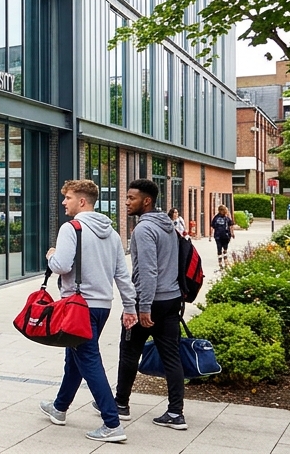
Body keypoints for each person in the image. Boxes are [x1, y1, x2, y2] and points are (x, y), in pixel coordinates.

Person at [39, 179, 137, 443]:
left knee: (89, 360)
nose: (64, 203)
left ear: (82, 201)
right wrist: (129, 306)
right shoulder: (113, 233)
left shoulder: (71, 228)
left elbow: (60, 265)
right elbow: (121, 274)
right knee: (76, 359)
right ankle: (59, 408)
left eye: (68, 198)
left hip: (77, 306)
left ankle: (111, 423)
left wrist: (51, 255)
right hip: (102, 306)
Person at [115, 179, 187, 430]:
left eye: (131, 198)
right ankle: (176, 413)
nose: (126, 202)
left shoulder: (144, 230)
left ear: (146, 201)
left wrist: (142, 307)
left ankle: (120, 405)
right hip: (171, 299)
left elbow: (147, 271)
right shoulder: (168, 225)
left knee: (129, 353)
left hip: (149, 301)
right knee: (171, 357)